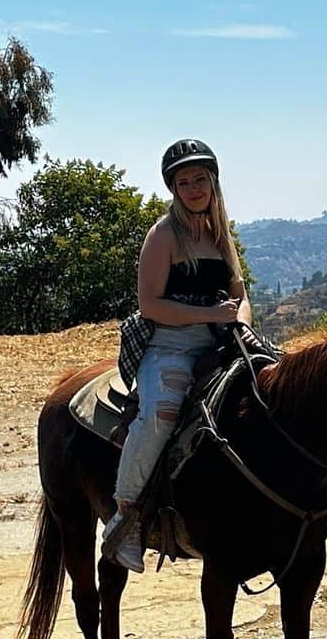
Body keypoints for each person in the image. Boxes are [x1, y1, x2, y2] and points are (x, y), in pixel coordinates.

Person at [103, 139, 251, 573]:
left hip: (224, 343)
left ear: (213, 181)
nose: (193, 188)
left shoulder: (220, 233)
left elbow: (240, 292)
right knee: (159, 417)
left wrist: (240, 323)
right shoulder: (163, 235)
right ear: (173, 188)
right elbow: (150, 304)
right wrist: (209, 313)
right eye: (183, 182)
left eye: (199, 179)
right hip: (170, 346)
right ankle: (124, 519)